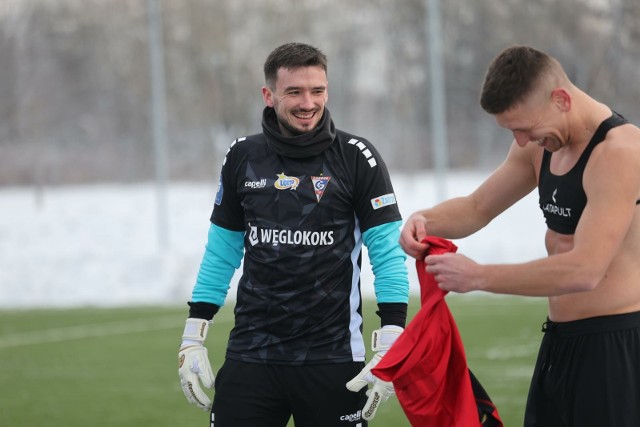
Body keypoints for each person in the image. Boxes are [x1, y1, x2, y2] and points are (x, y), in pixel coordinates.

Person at [400, 45, 640, 427]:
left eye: (525, 128)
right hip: (559, 343)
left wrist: (479, 276)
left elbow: (585, 270)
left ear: (560, 99)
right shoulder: (540, 145)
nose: (523, 141)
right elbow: (478, 207)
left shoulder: (620, 153)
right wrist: (424, 220)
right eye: (513, 131)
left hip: (614, 347)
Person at [177, 42, 409, 427]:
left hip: (333, 360)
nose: (308, 103)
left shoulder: (357, 156)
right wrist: (193, 335)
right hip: (252, 354)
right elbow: (222, 251)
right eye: (295, 92)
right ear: (269, 95)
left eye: (317, 91)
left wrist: (391, 338)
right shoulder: (242, 156)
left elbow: (387, 252)